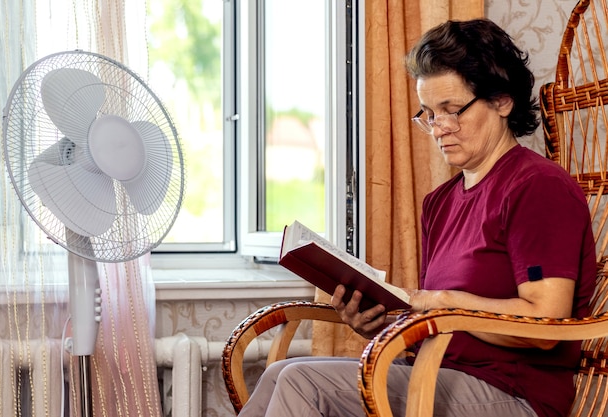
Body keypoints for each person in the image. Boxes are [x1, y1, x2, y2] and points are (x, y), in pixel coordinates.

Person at [237, 18, 596, 417]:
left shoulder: (537, 186)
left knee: (301, 382)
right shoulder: (439, 203)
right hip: (433, 372)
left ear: (502, 101)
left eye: (452, 110)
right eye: (428, 114)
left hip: (513, 394)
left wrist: (443, 302)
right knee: (280, 374)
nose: (439, 128)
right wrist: (377, 325)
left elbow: (544, 321)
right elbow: (443, 333)